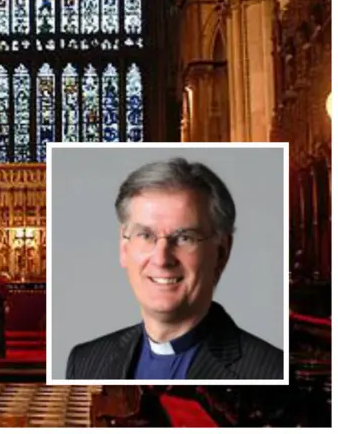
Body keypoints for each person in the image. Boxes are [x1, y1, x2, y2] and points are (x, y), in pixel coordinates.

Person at [66, 157, 283, 380]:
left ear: (221, 252)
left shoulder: (272, 371)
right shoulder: (85, 362)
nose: (161, 259)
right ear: (124, 248)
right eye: (146, 235)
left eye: (184, 237)